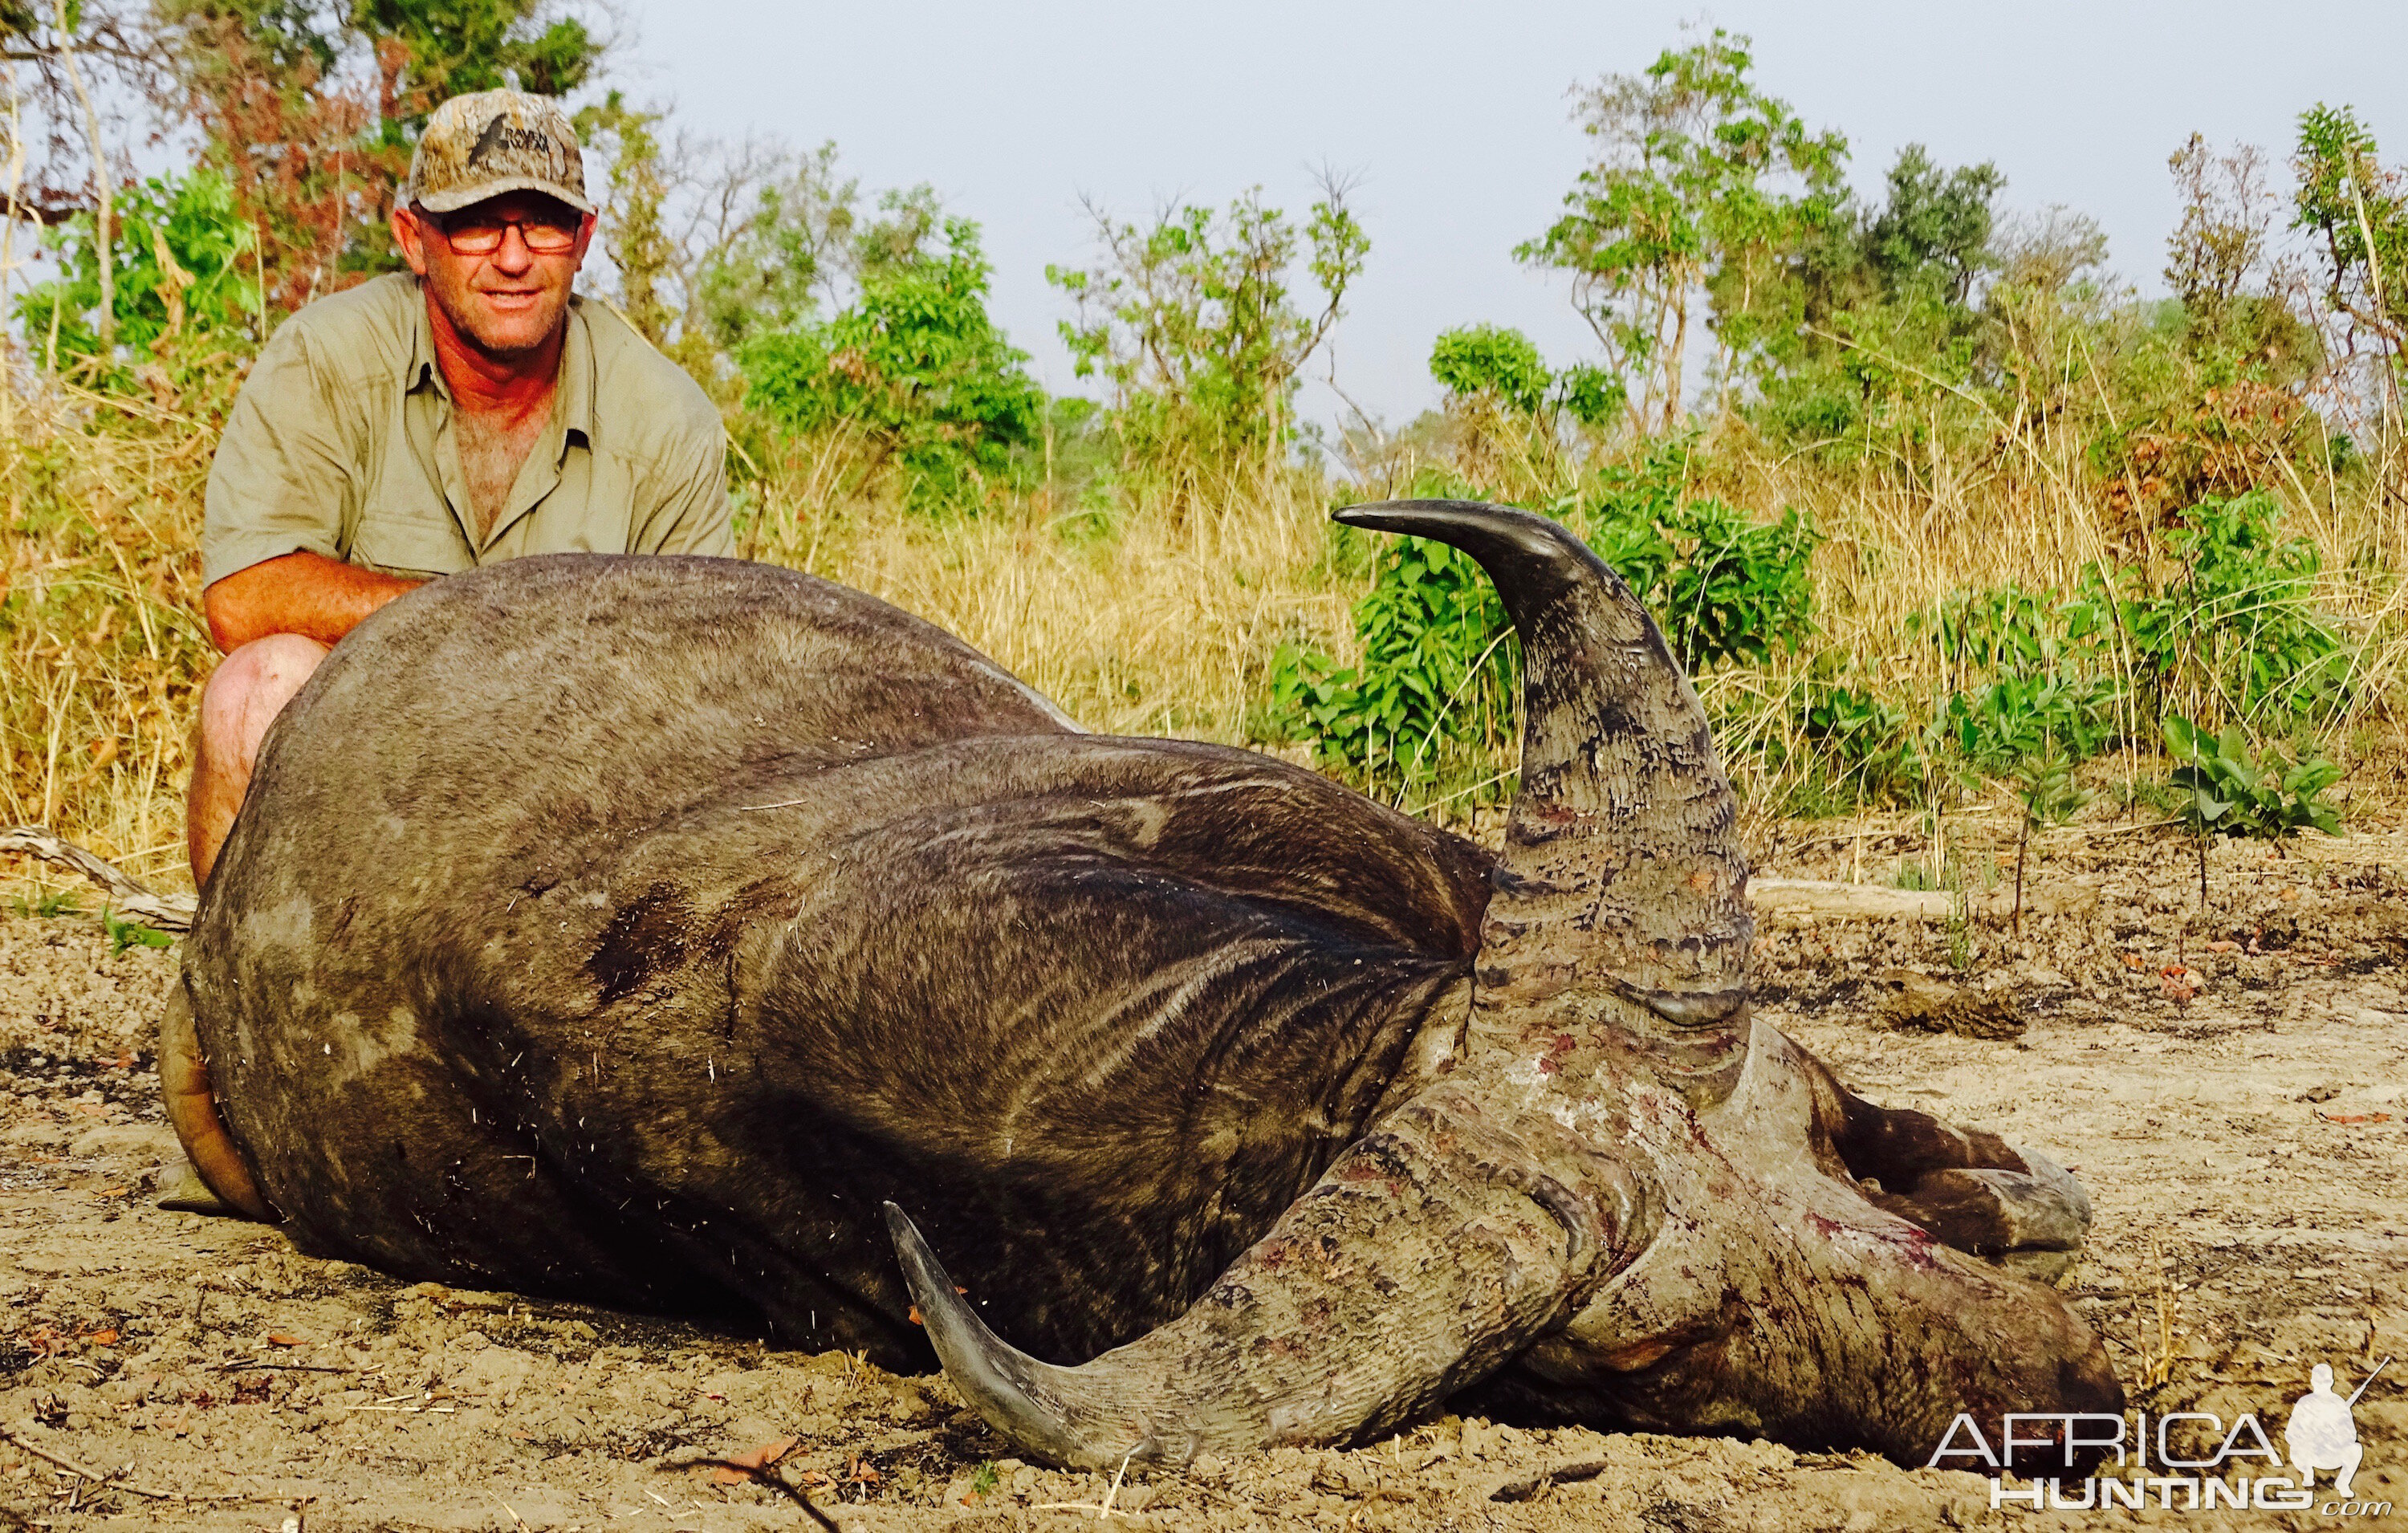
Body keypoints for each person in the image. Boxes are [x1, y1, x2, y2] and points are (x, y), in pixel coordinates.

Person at [187, 88, 734, 886]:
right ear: (415, 239)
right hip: (372, 763)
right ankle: (235, 1003)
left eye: (541, 221)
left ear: (582, 239)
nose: (513, 259)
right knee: (252, 690)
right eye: (477, 222)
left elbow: (706, 666)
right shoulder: (325, 357)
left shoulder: (666, 414)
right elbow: (243, 597)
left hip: (578, 783)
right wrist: (487, 620)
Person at [2285, 1363, 2363, 1498]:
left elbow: (2351, 1435)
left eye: (2326, 1381)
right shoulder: (2304, 1403)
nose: (2322, 1385)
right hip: (2309, 1455)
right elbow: (2290, 1434)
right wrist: (2309, 1436)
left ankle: (2343, 1483)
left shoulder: (2339, 1403)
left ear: (2332, 1382)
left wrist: (2334, 1437)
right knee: (2296, 1449)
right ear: (2312, 1382)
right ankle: (2308, 1473)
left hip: (2332, 1454)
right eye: (2319, 1381)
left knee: (2356, 1449)